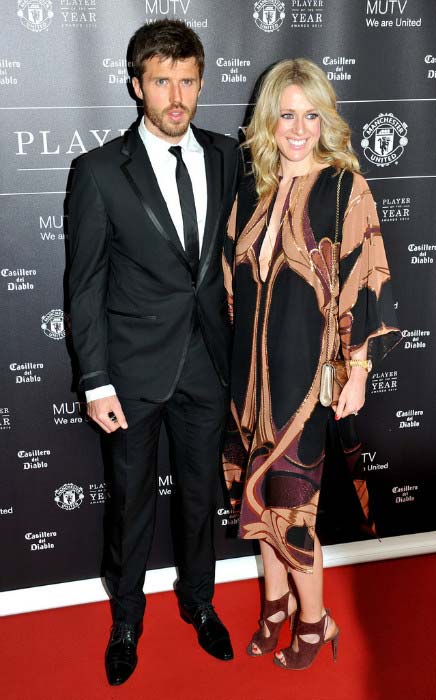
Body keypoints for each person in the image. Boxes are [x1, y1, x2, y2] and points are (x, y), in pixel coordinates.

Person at [68, 19, 239, 686]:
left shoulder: (228, 157)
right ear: (137, 85)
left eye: (188, 81)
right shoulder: (99, 172)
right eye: (162, 81)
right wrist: (94, 380)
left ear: (200, 84)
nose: (176, 95)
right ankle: (127, 619)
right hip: (132, 372)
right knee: (130, 502)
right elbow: (83, 287)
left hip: (207, 362)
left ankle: (199, 602)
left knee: (199, 497)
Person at [222, 58, 401, 670]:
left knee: (293, 510)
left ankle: (313, 618)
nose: (298, 128)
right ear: (269, 121)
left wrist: (360, 368)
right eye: (285, 115)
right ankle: (273, 603)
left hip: (303, 378)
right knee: (257, 503)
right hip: (247, 381)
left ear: (326, 119)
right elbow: (228, 285)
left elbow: (368, 280)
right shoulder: (253, 189)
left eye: (310, 114)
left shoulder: (345, 188)